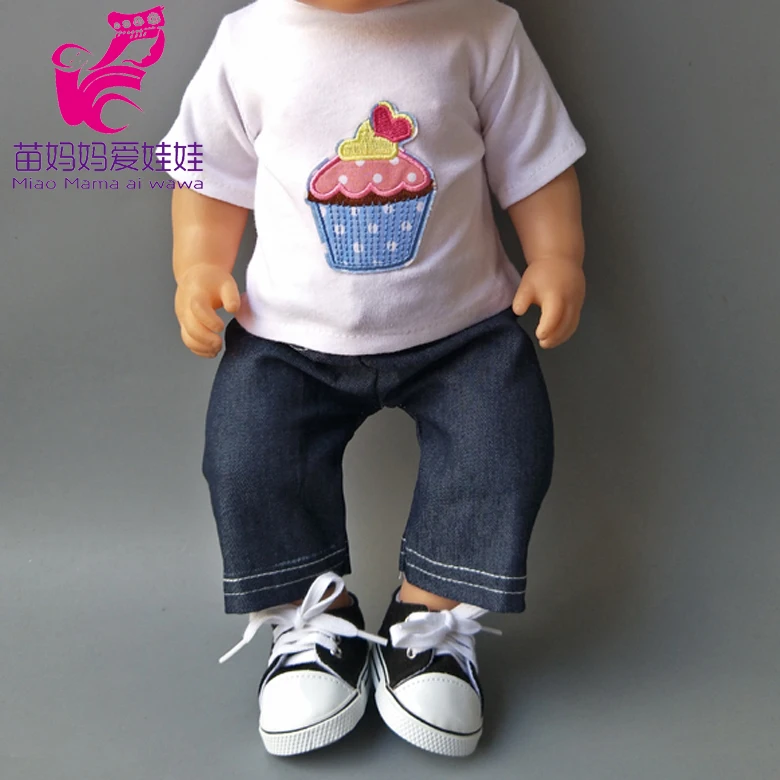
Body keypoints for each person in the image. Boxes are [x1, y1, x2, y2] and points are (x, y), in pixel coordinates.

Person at [160, 0, 586, 758]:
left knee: (501, 446)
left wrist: (556, 256)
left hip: (464, 330)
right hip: (287, 336)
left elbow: (536, 160)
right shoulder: (248, 41)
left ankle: (430, 618)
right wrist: (197, 267)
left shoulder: (481, 29)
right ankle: (310, 619)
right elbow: (207, 174)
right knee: (248, 457)